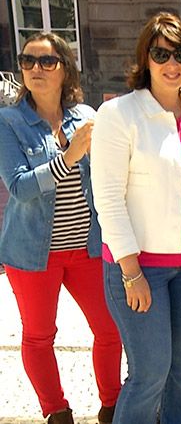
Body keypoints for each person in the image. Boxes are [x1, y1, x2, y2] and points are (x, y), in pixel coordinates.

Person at [91, 12, 181, 424]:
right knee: (149, 375)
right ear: (146, 58)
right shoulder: (119, 115)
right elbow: (108, 199)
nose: (173, 64)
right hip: (142, 268)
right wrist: (131, 270)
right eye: (161, 54)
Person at [0, 32, 122, 424]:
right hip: (32, 253)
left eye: (47, 61)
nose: (36, 69)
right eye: (28, 61)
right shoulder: (9, 122)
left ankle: (112, 405)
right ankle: (56, 411)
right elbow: (19, 186)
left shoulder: (85, 117)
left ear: (64, 69)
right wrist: (69, 156)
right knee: (39, 336)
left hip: (87, 248)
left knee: (109, 329)